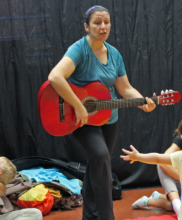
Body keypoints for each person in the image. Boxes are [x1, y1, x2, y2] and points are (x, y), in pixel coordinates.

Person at [47, 5, 156, 220]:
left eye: (106, 22)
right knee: (101, 158)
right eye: (97, 22)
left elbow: (124, 88)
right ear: (87, 26)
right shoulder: (79, 49)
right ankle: (107, 217)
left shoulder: (114, 54)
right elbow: (55, 77)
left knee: (97, 165)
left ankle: (90, 216)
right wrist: (78, 105)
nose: (103, 26)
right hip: (78, 119)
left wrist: (142, 100)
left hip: (108, 118)